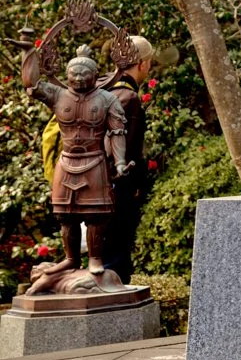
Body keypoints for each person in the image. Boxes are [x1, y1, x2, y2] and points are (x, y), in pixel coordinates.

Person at [21, 44, 129, 289]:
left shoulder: (107, 99)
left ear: (95, 74)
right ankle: (70, 259)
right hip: (67, 160)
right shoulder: (58, 95)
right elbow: (31, 85)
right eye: (74, 74)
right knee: (65, 216)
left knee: (95, 216)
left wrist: (120, 161)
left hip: (95, 160)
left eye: (84, 74)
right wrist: (28, 52)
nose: (79, 78)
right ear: (67, 75)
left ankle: (95, 258)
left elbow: (117, 132)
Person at [101, 35, 154, 283]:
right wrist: (136, 186)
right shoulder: (129, 99)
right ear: (142, 64)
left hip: (91, 185)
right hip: (117, 190)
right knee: (116, 260)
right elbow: (127, 150)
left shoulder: (100, 91)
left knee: (98, 256)